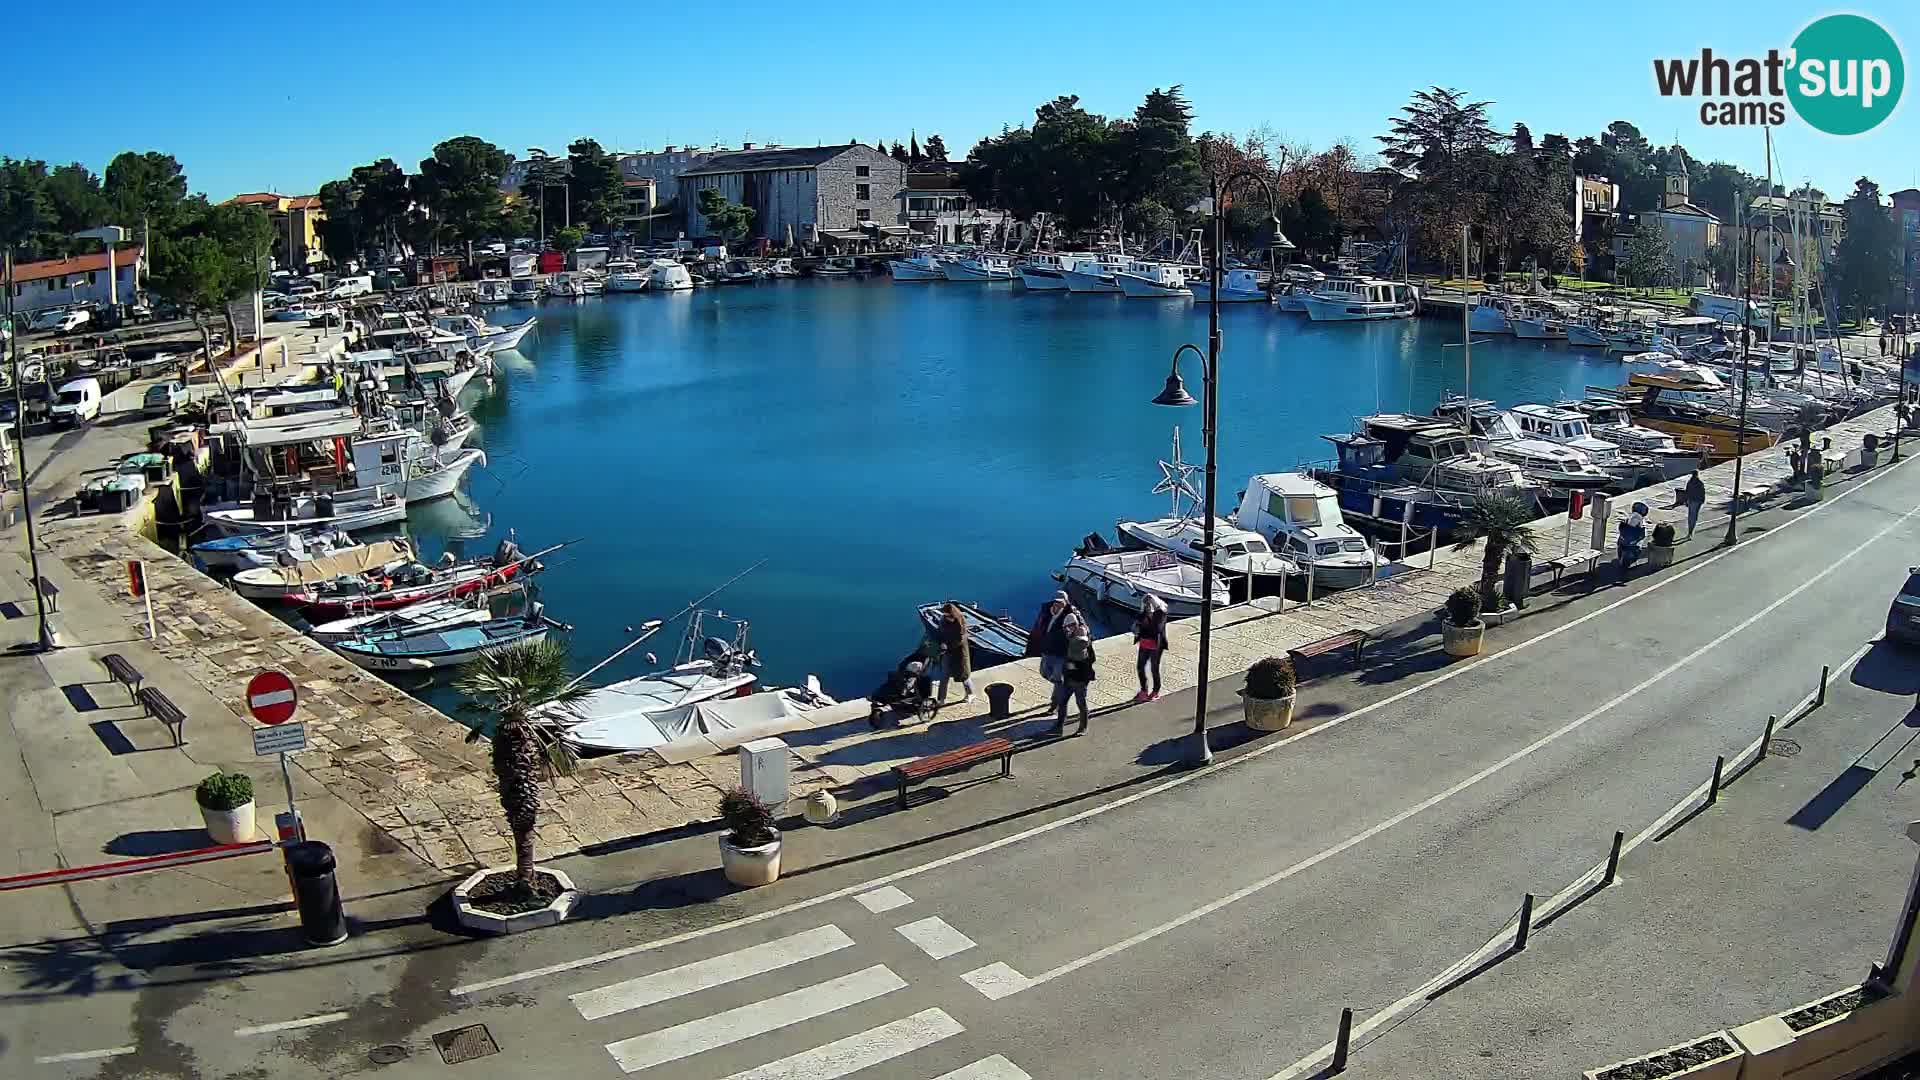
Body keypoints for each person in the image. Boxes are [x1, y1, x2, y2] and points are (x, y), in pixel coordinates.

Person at [1054, 621, 1096, 735]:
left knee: (1080, 703)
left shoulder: (1081, 646)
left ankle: (1083, 727)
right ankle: (1059, 724)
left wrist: (1071, 665)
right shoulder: (1072, 639)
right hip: (1069, 678)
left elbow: (1087, 662)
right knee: (1063, 702)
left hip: (1080, 680)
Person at [1027, 592, 1075, 688]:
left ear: (1066, 602)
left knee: (1057, 678)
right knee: (1044, 672)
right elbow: (1037, 628)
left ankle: (1060, 696)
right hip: (1047, 649)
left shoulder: (1071, 615)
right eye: (1056, 601)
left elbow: (1080, 630)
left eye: (1061, 602)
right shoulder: (1046, 611)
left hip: (1061, 652)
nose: (1058, 604)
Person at [935, 601, 974, 705]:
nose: (946, 617)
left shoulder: (960, 621)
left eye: (948, 615)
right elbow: (940, 632)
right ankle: (941, 699)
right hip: (947, 652)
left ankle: (970, 694)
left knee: (963, 676)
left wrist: (948, 646)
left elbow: (961, 639)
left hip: (959, 653)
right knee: (944, 676)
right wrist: (941, 643)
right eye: (945, 615)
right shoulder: (943, 620)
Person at [1133, 595, 1168, 702]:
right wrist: (1136, 629)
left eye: (1150, 603)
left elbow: (1156, 629)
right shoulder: (1142, 614)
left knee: (1154, 669)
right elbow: (1136, 626)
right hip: (1144, 643)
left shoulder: (1160, 614)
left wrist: (1143, 627)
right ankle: (1144, 690)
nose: (1148, 606)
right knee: (1140, 667)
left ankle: (1156, 691)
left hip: (1155, 646)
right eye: (1146, 604)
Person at [1682, 471, 1707, 538]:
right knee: (1694, 516)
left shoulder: (1690, 482)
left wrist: (1686, 501)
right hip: (1697, 501)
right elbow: (1703, 492)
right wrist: (1702, 501)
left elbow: (1687, 492)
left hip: (1692, 501)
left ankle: (1690, 531)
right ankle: (1691, 531)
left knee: (1691, 516)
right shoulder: (1700, 483)